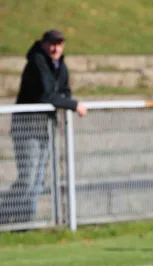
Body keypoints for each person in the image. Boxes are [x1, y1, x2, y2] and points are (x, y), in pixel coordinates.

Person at [0, 30, 87, 225]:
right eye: (52, 43)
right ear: (43, 44)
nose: (55, 48)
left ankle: (15, 218)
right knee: (29, 177)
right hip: (27, 126)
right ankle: (21, 221)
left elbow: (64, 91)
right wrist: (73, 105)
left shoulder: (59, 65)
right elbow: (47, 96)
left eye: (59, 44)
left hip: (45, 127)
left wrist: (67, 100)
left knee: (38, 180)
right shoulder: (37, 63)